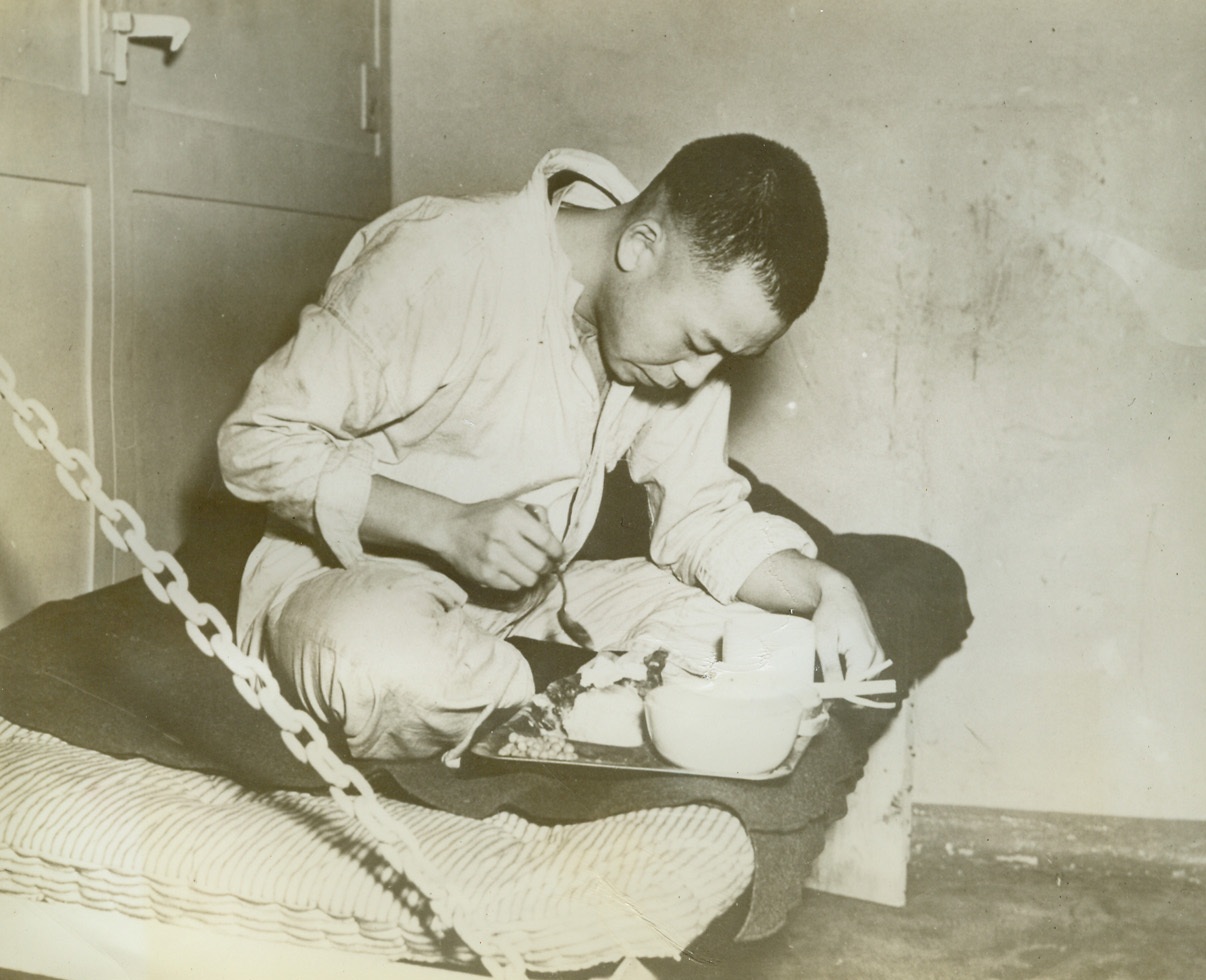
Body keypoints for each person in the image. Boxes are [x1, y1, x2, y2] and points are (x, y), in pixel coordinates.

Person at [218, 134, 887, 762]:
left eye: (726, 359)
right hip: (347, 586)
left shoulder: (676, 342)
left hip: (537, 608)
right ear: (641, 245)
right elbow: (254, 442)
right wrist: (445, 525)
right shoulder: (442, 261)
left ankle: (554, 705)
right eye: (701, 342)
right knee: (376, 659)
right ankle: (577, 706)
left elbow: (702, 520)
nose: (696, 378)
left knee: (776, 642)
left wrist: (828, 587)